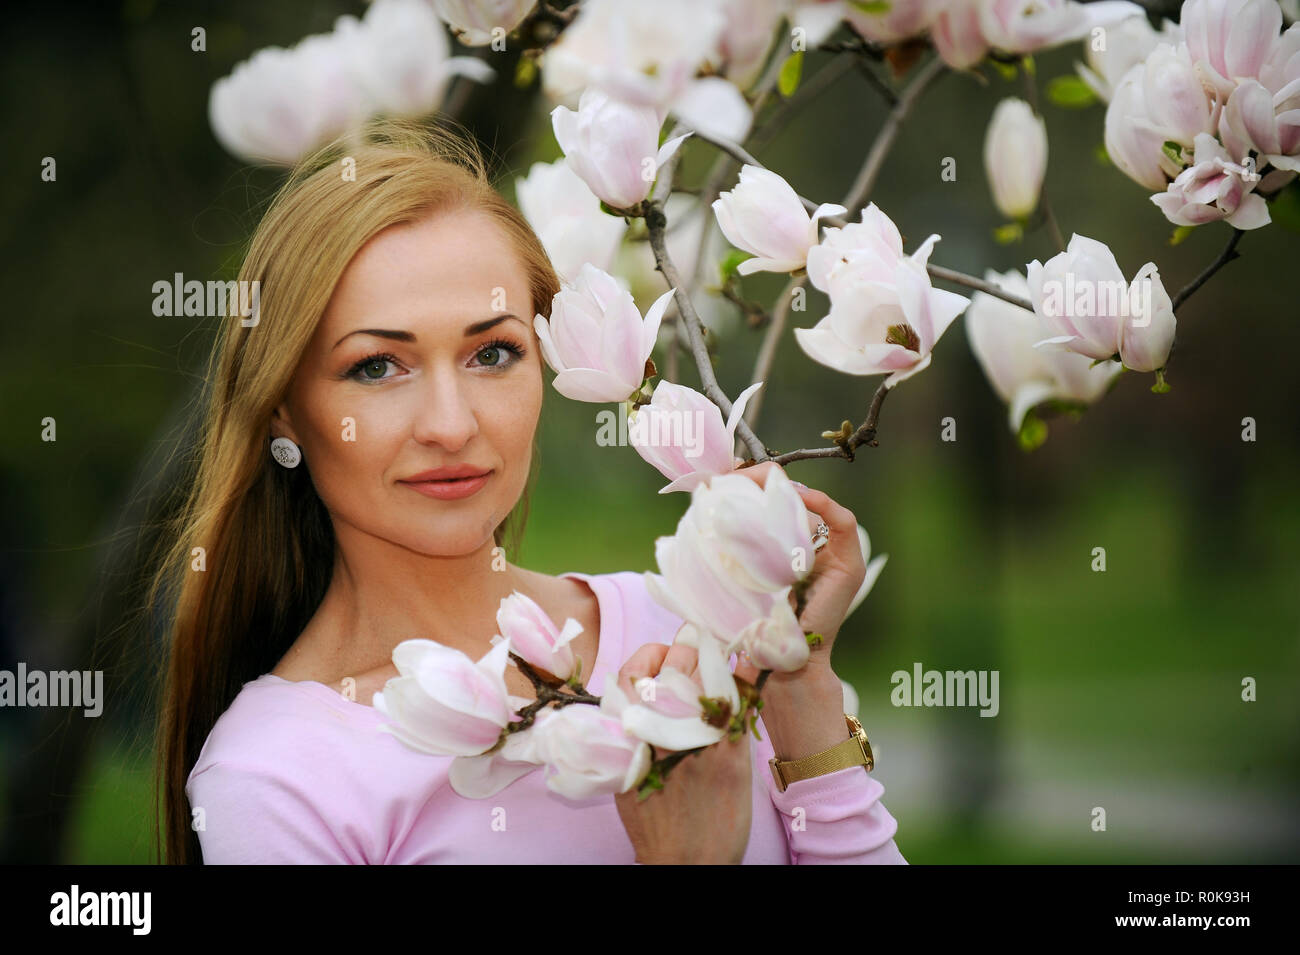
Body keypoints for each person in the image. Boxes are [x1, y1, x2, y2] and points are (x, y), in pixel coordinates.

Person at [151, 118, 906, 864]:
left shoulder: (689, 628)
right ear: (283, 405)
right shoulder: (280, 778)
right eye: (378, 366)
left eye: (493, 353)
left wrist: (802, 690)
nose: (450, 425)